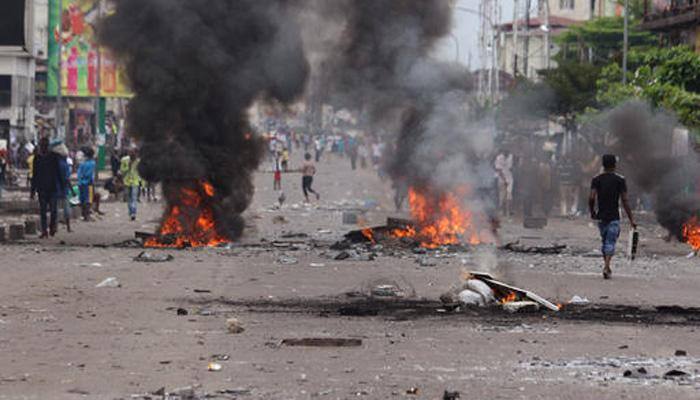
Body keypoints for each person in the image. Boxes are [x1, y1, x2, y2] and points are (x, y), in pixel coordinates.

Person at [589, 154, 637, 280]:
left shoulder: (596, 179)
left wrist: (592, 212)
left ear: (603, 165)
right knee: (611, 241)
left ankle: (607, 265)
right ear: (615, 165)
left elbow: (591, 197)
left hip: (601, 216)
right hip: (614, 216)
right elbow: (625, 200)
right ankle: (606, 266)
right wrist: (631, 218)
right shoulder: (620, 180)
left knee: (605, 241)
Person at [31, 138, 65, 238]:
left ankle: (52, 227)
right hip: (42, 189)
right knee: (43, 211)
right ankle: (45, 231)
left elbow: (58, 172)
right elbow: (35, 175)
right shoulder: (37, 158)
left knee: (53, 210)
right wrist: (32, 191)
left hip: (52, 188)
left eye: (45, 145)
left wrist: (62, 186)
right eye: (42, 145)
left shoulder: (54, 157)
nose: (43, 147)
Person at [53, 143, 74, 232]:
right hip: (63, 189)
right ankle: (68, 227)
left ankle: (55, 227)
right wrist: (72, 189)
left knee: (55, 209)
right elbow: (66, 178)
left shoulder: (54, 163)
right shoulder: (64, 164)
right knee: (66, 209)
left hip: (55, 189)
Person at [120, 148, 141, 220]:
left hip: (135, 181)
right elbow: (122, 171)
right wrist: (127, 167)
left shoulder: (138, 161)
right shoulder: (124, 160)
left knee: (134, 198)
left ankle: (133, 213)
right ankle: (130, 212)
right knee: (129, 198)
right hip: (126, 181)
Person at [77, 147, 96, 221]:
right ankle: (87, 215)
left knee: (82, 199)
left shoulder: (82, 163)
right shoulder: (92, 163)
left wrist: (80, 180)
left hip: (81, 183)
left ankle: (84, 215)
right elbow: (90, 175)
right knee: (89, 200)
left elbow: (79, 174)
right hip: (89, 183)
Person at [494, 150, 514, 217]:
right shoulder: (499, 158)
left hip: (509, 179)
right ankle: (502, 211)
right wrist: (504, 179)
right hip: (501, 180)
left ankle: (509, 213)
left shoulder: (511, 156)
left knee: (509, 196)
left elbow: (512, 167)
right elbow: (499, 171)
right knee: (502, 197)